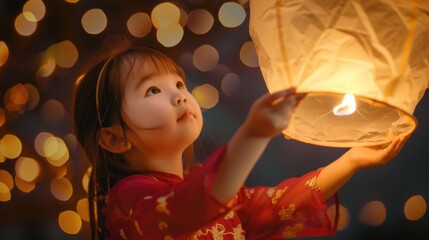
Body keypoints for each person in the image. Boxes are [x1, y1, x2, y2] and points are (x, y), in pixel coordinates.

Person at [73, 46, 408, 240]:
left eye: (178, 83)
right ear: (114, 138)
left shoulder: (202, 180)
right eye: (153, 90)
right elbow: (189, 205)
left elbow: (269, 206)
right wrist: (254, 133)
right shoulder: (128, 202)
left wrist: (350, 161)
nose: (179, 96)